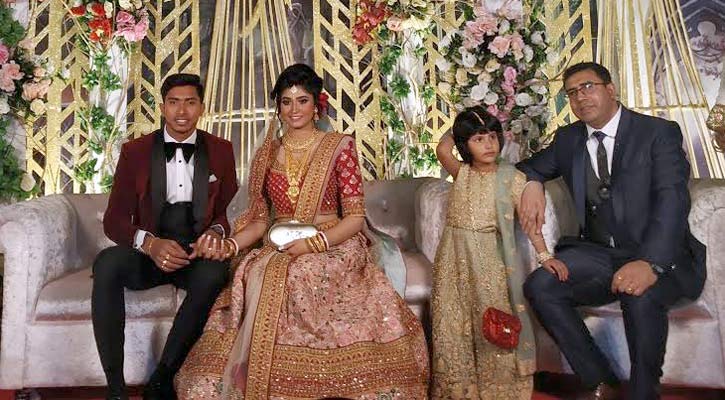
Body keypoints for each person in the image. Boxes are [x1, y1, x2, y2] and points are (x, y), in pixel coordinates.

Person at [174, 63, 429, 399]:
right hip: (280, 242)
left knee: (303, 272)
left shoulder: (339, 147)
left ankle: (313, 375)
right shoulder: (266, 154)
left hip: (334, 239)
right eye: (286, 101)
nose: (294, 109)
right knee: (256, 270)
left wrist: (313, 244)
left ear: (316, 105)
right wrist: (231, 246)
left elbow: (354, 218)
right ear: (278, 107)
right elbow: (260, 222)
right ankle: (260, 376)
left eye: (302, 100)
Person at [517, 62, 706, 400]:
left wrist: (650, 263)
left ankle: (644, 393)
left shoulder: (657, 132)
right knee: (541, 285)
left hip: (664, 256)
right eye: (572, 93)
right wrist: (532, 182)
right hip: (600, 255)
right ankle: (599, 381)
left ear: (610, 89)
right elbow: (527, 167)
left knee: (640, 294)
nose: (580, 97)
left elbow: (673, 201)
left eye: (588, 87)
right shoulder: (568, 139)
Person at [93, 73, 239, 400]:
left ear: (201, 107)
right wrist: (149, 243)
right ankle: (115, 389)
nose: (181, 111)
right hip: (150, 252)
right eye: (173, 103)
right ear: (162, 107)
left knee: (216, 273)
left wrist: (215, 233)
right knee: (106, 264)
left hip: (194, 253)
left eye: (190, 102)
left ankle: (161, 380)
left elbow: (227, 211)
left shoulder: (221, 150)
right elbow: (114, 221)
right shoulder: (135, 151)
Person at [432, 107, 560, 400]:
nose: (488, 144)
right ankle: (460, 389)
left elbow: (529, 223)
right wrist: (463, 123)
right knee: (451, 320)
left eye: (492, 136)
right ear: (465, 144)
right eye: (478, 139)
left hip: (487, 260)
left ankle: (498, 388)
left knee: (490, 319)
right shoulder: (461, 172)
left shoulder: (511, 179)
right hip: (451, 257)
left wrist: (545, 256)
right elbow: (442, 149)